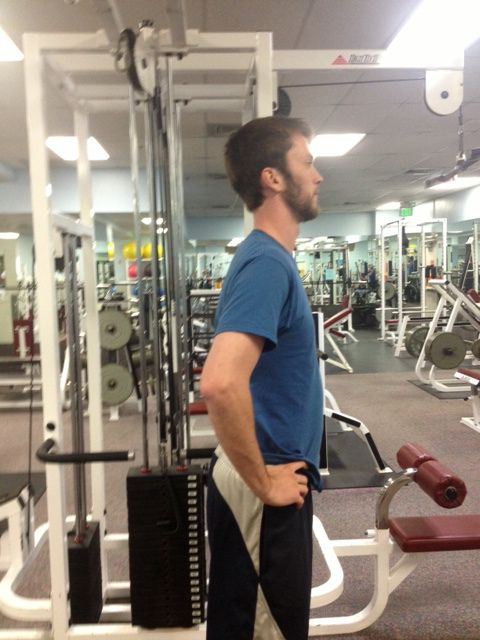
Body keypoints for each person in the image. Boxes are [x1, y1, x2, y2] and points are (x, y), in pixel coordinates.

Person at [200, 116, 324, 640]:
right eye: (308, 161)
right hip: (263, 482)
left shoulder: (268, 259)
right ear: (273, 177)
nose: (318, 176)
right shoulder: (268, 264)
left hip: (267, 476)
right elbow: (220, 383)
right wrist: (264, 481)